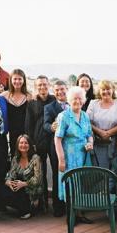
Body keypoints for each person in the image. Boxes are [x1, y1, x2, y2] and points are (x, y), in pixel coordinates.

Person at [54, 86, 94, 224]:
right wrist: (61, 159)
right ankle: (70, 216)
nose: (77, 101)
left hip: (83, 155)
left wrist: (90, 143)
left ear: (83, 101)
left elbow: (89, 135)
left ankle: (80, 214)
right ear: (69, 101)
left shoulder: (85, 115)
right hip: (69, 156)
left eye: (79, 98)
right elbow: (57, 139)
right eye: (74, 99)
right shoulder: (64, 116)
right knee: (69, 184)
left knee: (81, 184)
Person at [25, 75, 55, 209]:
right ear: (36, 87)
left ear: (49, 85)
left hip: (54, 141)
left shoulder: (55, 101)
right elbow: (28, 125)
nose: (42, 87)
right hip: (38, 141)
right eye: (39, 85)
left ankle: (57, 201)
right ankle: (42, 201)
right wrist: (32, 143)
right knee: (40, 172)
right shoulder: (31, 103)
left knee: (56, 170)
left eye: (44, 84)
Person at [87, 80, 117, 169]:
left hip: (113, 142)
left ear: (113, 90)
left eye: (108, 89)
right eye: (103, 89)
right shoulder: (93, 103)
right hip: (96, 142)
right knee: (97, 169)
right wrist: (100, 132)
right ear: (99, 91)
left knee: (112, 169)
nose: (106, 92)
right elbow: (87, 122)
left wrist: (108, 133)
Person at [43, 80, 68, 217]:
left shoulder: (73, 104)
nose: (60, 92)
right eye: (57, 90)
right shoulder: (49, 107)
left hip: (72, 147)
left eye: (62, 89)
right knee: (58, 174)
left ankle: (71, 204)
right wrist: (51, 127)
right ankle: (58, 207)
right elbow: (45, 124)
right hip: (56, 146)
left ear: (67, 89)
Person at [5, 135, 43, 213]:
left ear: (30, 145)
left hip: (32, 188)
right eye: (21, 143)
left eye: (26, 143)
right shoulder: (15, 158)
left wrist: (24, 184)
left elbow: (38, 180)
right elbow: (11, 174)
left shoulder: (36, 158)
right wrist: (8, 182)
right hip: (19, 187)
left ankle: (33, 205)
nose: (23, 145)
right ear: (17, 145)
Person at [0, 69, 32, 156]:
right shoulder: (4, 95)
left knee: (26, 156)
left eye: (20, 79)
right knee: (14, 156)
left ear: (23, 80)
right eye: (15, 79)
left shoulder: (29, 96)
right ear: (11, 80)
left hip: (26, 132)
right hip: (11, 133)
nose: (17, 81)